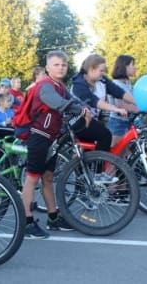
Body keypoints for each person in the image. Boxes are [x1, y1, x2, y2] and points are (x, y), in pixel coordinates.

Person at [22, 50, 91, 238]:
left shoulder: (59, 85)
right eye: (56, 64)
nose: (61, 68)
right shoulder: (45, 85)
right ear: (47, 67)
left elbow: (71, 99)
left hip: (50, 137)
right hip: (39, 136)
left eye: (64, 65)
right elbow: (57, 103)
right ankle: (26, 221)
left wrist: (86, 107)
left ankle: (53, 218)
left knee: (48, 177)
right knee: (32, 178)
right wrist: (79, 108)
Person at [71, 54, 134, 153]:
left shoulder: (102, 80)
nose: (103, 73)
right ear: (91, 69)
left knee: (87, 152)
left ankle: (85, 166)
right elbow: (94, 101)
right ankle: (100, 166)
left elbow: (119, 92)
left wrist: (138, 102)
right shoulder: (79, 84)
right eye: (101, 70)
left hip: (91, 121)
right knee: (105, 135)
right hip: (77, 120)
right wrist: (116, 109)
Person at [106, 55, 139, 146]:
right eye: (132, 65)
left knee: (125, 154)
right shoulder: (116, 84)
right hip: (118, 123)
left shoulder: (127, 83)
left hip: (127, 121)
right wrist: (140, 108)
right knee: (115, 155)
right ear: (125, 66)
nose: (135, 67)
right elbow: (122, 105)